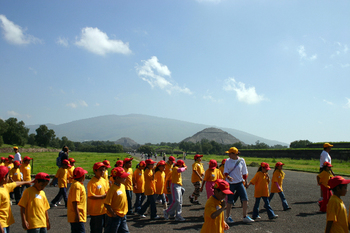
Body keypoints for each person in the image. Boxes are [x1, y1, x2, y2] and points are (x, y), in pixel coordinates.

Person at [223, 147, 254, 223]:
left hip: (240, 182)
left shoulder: (242, 160)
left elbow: (244, 171)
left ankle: (245, 216)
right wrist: (228, 177)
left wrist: (246, 181)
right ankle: (228, 217)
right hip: (231, 183)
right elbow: (225, 171)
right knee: (230, 201)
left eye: (230, 153)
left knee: (245, 199)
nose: (229, 155)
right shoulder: (227, 161)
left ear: (234, 154)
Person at [0, 166, 33, 233]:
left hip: (6, 222)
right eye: (8, 176)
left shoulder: (5, 187)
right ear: (4, 178)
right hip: (1, 224)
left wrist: (27, 182)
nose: (9, 178)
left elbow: (15, 183)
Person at [104, 167, 130, 233]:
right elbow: (107, 204)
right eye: (123, 177)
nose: (125, 178)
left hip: (123, 215)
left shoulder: (122, 186)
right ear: (117, 178)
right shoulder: (112, 189)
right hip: (115, 217)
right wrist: (113, 214)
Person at [87, 162, 108, 233]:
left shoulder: (104, 180)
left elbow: (107, 191)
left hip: (104, 209)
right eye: (100, 170)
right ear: (95, 171)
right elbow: (91, 195)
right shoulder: (92, 182)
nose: (102, 172)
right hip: (96, 211)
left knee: (105, 227)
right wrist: (102, 196)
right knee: (96, 229)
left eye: (104, 170)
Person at [67, 167, 88, 233]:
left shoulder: (77, 184)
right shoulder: (77, 186)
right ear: (82, 176)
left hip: (79, 214)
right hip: (77, 215)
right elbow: (74, 201)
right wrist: (77, 215)